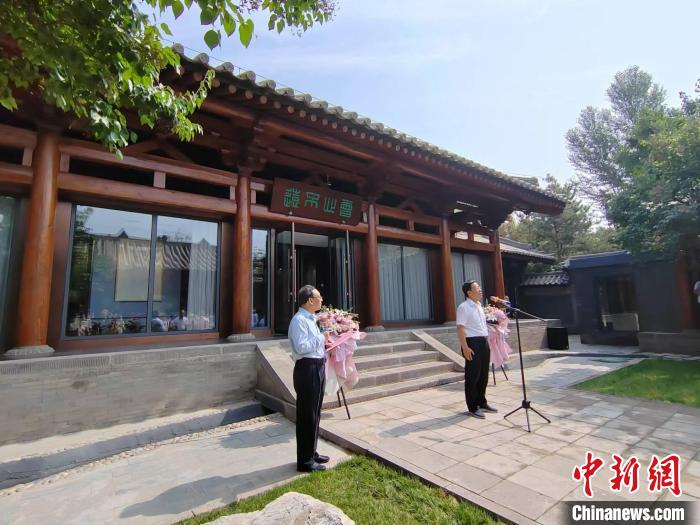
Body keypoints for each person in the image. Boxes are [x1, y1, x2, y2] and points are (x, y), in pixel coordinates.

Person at [288, 284, 330, 472]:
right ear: (310, 300)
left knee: (315, 413)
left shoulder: (311, 319)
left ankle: (311, 452)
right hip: (307, 369)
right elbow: (301, 347)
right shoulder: (299, 320)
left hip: (318, 366)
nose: (322, 300)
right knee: (307, 415)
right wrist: (322, 338)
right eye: (319, 297)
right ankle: (305, 461)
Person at [456, 280, 498, 419]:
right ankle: (473, 407)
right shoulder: (464, 307)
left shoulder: (479, 305)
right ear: (469, 292)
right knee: (473, 375)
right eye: (477, 288)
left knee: (484, 374)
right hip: (472, 343)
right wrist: (465, 347)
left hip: (483, 341)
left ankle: (482, 402)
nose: (480, 289)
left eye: (479, 287)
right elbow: (460, 328)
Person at [487, 298, 512, 369]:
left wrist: (500, 326)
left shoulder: (499, 312)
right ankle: (498, 360)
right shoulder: (494, 312)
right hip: (492, 333)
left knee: (500, 344)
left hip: (497, 331)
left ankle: (500, 360)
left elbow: (503, 322)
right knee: (494, 346)